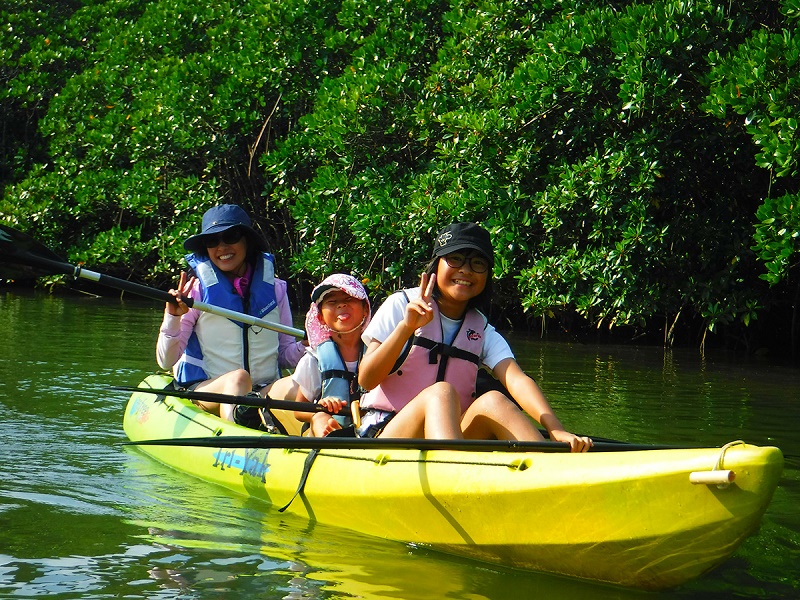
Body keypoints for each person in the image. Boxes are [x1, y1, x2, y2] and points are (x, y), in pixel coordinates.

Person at [357, 222, 593, 452]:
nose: (466, 270)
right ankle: (454, 478)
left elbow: (516, 379)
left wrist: (556, 429)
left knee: (494, 400)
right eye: (455, 259)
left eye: (477, 263)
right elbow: (366, 380)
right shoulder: (402, 304)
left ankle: (546, 472)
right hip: (387, 432)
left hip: (448, 435)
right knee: (442, 393)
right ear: (436, 266)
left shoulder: (480, 328)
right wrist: (406, 328)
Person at [156, 204, 305, 428]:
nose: (222, 247)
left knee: (299, 383)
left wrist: (307, 345)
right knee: (238, 378)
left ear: (247, 241)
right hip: (207, 390)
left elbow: (284, 355)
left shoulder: (276, 290)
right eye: (212, 241)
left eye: (231, 236)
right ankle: (238, 435)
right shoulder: (195, 292)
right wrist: (173, 317)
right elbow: (166, 360)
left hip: (261, 392)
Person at [291, 274, 371, 436]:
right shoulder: (314, 359)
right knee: (320, 418)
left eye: (349, 299)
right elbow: (298, 411)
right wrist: (321, 407)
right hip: (328, 427)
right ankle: (332, 440)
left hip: (370, 426)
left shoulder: (379, 352)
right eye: (332, 302)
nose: (341, 305)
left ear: (365, 310)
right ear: (320, 316)